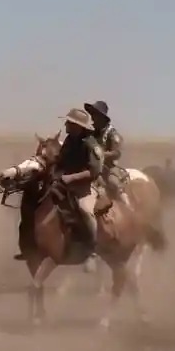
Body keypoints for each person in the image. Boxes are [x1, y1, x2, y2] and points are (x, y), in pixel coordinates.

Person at [52, 107, 105, 254]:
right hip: (64, 183)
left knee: (85, 210)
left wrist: (71, 178)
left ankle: (93, 248)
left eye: (69, 122)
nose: (65, 125)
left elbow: (94, 171)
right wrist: (55, 172)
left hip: (86, 185)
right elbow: (60, 160)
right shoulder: (69, 140)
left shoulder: (91, 144)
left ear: (77, 126)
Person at [84, 101, 126, 206]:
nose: (92, 118)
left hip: (109, 167)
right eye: (92, 114)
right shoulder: (93, 133)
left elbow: (117, 153)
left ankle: (125, 206)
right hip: (93, 166)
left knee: (113, 183)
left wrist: (102, 154)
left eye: (95, 115)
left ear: (102, 117)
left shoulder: (112, 134)